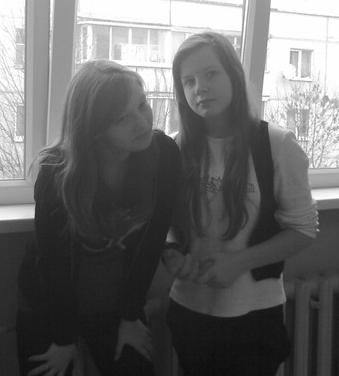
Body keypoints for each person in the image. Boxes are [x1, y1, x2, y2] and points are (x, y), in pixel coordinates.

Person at [162, 31, 319, 375]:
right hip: (189, 309)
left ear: (233, 75)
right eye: (188, 81)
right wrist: (171, 252)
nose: (200, 88)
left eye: (210, 74)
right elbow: (167, 222)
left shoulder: (276, 144)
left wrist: (239, 262)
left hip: (253, 316)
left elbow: (304, 230)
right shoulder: (176, 147)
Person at [16, 59, 181, 376]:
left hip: (116, 303)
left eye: (142, 104)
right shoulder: (57, 171)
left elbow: (152, 240)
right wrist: (64, 339)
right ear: (92, 129)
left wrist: (130, 316)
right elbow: (55, 262)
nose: (142, 122)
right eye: (122, 118)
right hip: (50, 301)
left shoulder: (164, 155)